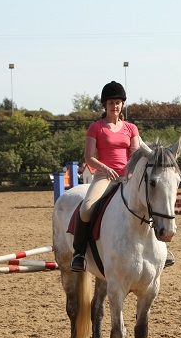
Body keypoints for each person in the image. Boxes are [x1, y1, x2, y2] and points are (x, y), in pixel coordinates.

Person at [71, 81, 166, 272]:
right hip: (104, 177)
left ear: (122, 104)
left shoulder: (131, 128)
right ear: (104, 105)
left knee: (149, 204)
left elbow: (136, 153)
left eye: (118, 102)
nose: (114, 106)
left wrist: (133, 173)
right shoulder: (96, 127)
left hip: (127, 177)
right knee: (86, 209)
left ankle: (161, 250)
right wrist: (104, 168)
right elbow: (88, 157)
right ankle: (79, 253)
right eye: (111, 103)